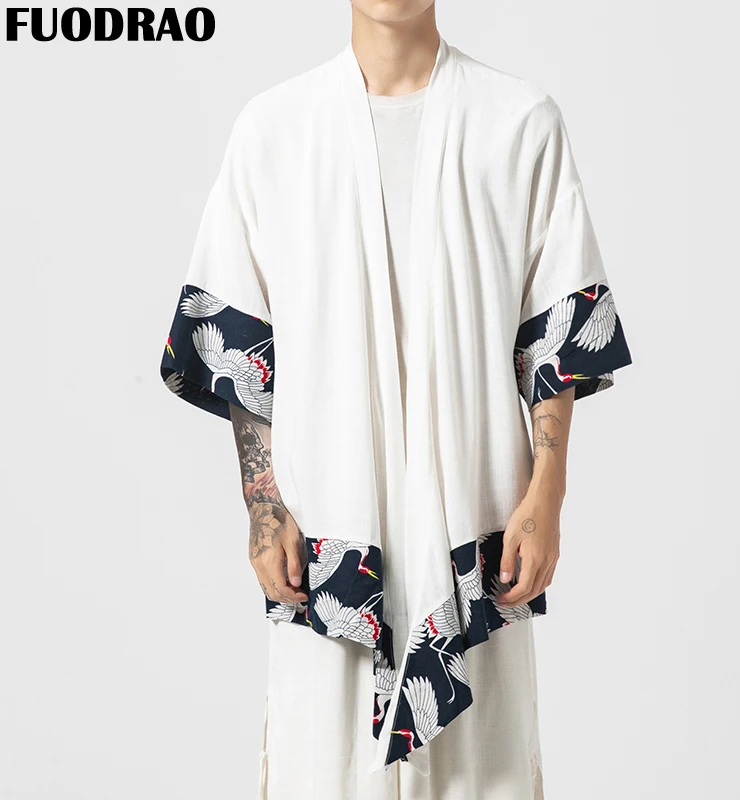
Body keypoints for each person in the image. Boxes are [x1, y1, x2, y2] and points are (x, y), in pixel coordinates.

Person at [159, 2, 633, 797]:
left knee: (486, 779)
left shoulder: (519, 123)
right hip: (325, 543)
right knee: (322, 774)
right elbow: (239, 337)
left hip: (480, 539)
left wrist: (547, 493)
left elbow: (557, 332)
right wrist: (264, 504)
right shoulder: (275, 130)